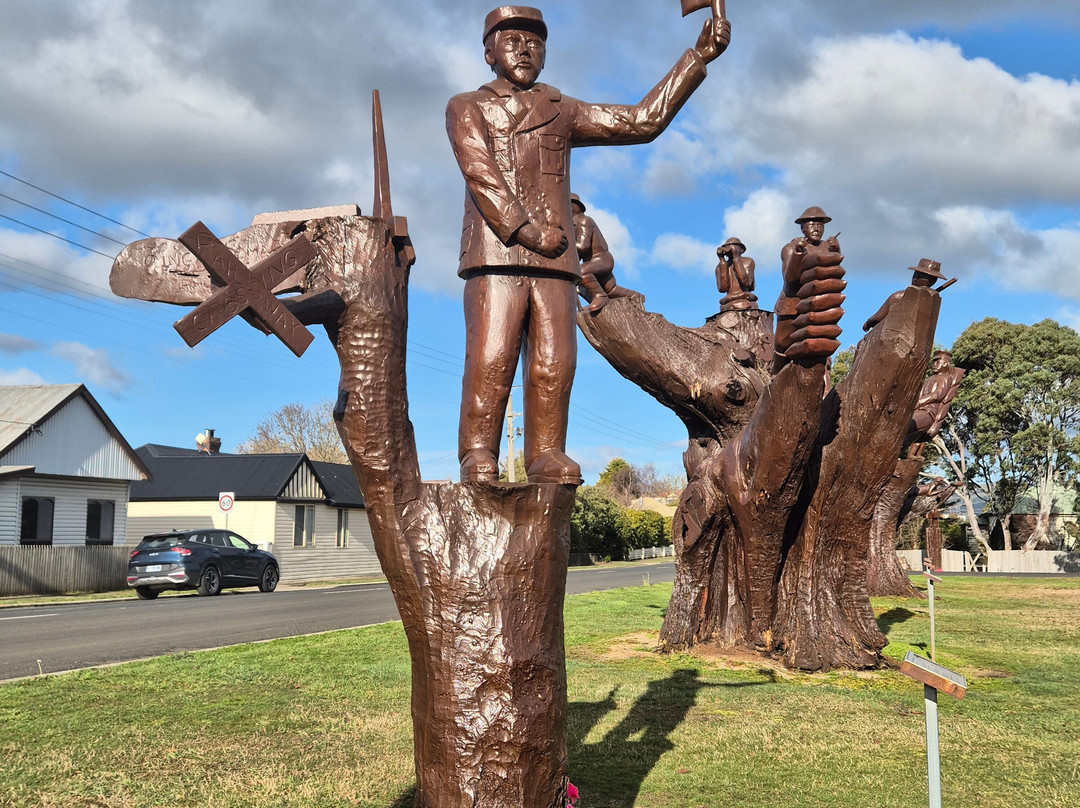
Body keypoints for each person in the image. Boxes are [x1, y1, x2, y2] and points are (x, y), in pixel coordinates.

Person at [448, 5, 730, 483]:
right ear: (488, 53)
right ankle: (478, 454)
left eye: (535, 41)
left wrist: (697, 57)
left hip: (556, 261)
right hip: (497, 255)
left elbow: (641, 121)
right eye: (511, 39)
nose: (524, 48)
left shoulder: (561, 108)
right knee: (491, 358)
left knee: (555, 362)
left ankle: (546, 454)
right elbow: (481, 174)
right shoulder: (466, 106)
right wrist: (526, 231)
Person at [774, 206, 843, 367]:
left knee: (818, 344)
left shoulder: (827, 247)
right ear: (803, 227)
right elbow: (790, 278)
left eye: (820, 225)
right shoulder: (790, 248)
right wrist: (798, 254)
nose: (816, 228)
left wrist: (836, 252)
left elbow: (834, 275)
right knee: (784, 343)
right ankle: (776, 377)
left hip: (819, 307)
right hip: (792, 306)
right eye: (812, 224)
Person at [571, 194, 637, 313]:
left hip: (600, 260)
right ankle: (635, 297)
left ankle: (600, 296)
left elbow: (583, 246)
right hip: (593, 262)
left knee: (581, 272)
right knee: (611, 289)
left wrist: (566, 243)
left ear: (573, 206)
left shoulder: (584, 221)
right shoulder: (573, 225)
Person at [862, 258, 947, 332]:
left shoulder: (900, 296)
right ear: (934, 280)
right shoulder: (934, 299)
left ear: (916, 276)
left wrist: (867, 323)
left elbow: (877, 318)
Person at [715, 236, 756, 312]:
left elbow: (746, 282)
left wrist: (736, 257)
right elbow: (723, 288)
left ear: (741, 249)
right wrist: (722, 261)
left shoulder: (748, 261)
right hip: (727, 302)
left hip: (744, 299)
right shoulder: (720, 267)